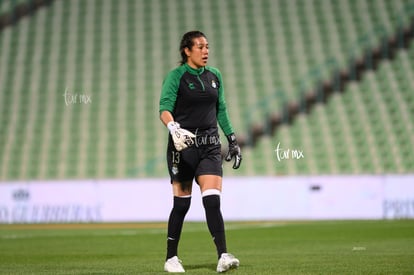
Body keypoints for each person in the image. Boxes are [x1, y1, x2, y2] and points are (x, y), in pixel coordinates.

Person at [159, 30, 242, 273]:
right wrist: (173, 126)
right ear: (187, 50)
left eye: (207, 46)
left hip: (210, 146)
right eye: (200, 47)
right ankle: (171, 258)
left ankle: (223, 255)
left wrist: (232, 139)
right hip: (182, 146)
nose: (206, 51)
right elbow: (164, 108)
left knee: (212, 201)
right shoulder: (176, 76)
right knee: (182, 205)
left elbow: (222, 109)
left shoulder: (215, 75)